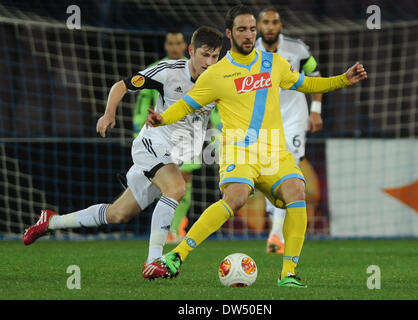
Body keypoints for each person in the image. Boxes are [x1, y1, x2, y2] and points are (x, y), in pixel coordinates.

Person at [145, 4, 367, 287]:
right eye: (242, 29)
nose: (249, 34)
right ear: (229, 34)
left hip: (274, 150)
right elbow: (186, 106)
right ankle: (177, 255)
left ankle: (288, 273)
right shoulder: (215, 74)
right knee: (235, 197)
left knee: (297, 191)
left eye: (252, 29)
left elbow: (306, 84)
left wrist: (343, 80)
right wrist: (162, 118)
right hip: (239, 149)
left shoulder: (273, 63)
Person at [22, 26, 224, 280]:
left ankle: (50, 222)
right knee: (176, 187)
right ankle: (153, 262)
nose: (209, 62)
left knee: (118, 214)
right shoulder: (168, 71)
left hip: (176, 155)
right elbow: (122, 85)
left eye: (215, 56)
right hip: (152, 145)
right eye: (205, 55)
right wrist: (109, 114)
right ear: (191, 51)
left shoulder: (219, 80)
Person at [255, 8, 323, 254]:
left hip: (294, 117)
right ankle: (276, 221)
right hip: (264, 120)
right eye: (265, 22)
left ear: (280, 24)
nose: (270, 27)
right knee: (268, 171)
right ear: (259, 26)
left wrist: (315, 109)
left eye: (274, 22)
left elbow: (315, 75)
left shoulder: (298, 49)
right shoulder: (248, 52)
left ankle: (275, 234)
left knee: (289, 167)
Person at [130, 31, 192, 243]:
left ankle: (175, 228)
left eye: (178, 43)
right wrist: (138, 126)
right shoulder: (158, 69)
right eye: (170, 43)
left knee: (184, 180)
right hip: (160, 135)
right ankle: (166, 228)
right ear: (166, 46)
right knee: (166, 182)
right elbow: (143, 100)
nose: (174, 47)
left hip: (187, 135)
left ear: (185, 45)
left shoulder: (195, 69)